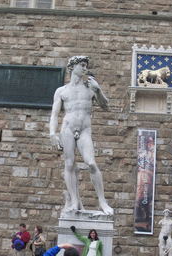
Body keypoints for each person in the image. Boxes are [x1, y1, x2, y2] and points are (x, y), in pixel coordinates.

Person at [50, 55, 113, 216]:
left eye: (86, 66)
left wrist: (98, 89)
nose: (85, 69)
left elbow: (105, 105)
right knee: (69, 165)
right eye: (82, 65)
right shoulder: (61, 91)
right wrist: (52, 134)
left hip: (84, 130)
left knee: (91, 163)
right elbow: (54, 115)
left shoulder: (91, 88)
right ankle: (74, 201)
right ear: (73, 67)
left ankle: (102, 202)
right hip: (67, 129)